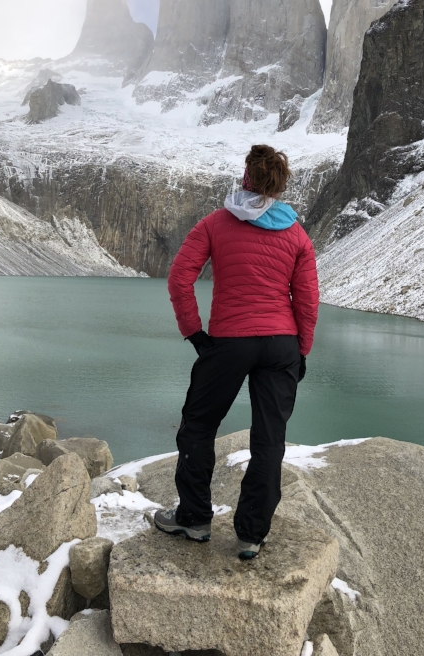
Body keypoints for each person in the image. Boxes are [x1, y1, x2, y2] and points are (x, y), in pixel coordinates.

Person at [155, 144, 319, 559]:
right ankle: (251, 534)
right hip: (281, 343)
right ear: (280, 185)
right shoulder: (296, 234)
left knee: (198, 426)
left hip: (228, 341)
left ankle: (194, 519)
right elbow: (307, 300)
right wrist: (300, 351)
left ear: (246, 177)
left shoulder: (215, 223)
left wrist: (194, 332)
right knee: (270, 439)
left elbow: (179, 278)